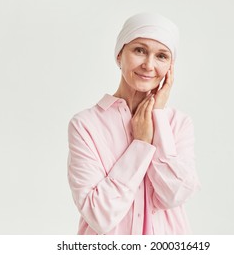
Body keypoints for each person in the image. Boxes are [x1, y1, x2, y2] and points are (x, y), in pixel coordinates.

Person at [67, 12, 200, 235]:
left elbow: (174, 194)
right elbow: (99, 214)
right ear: (120, 55)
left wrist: (157, 117)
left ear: (170, 67)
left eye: (161, 56)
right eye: (139, 50)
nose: (149, 65)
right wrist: (140, 145)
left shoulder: (178, 124)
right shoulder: (85, 125)